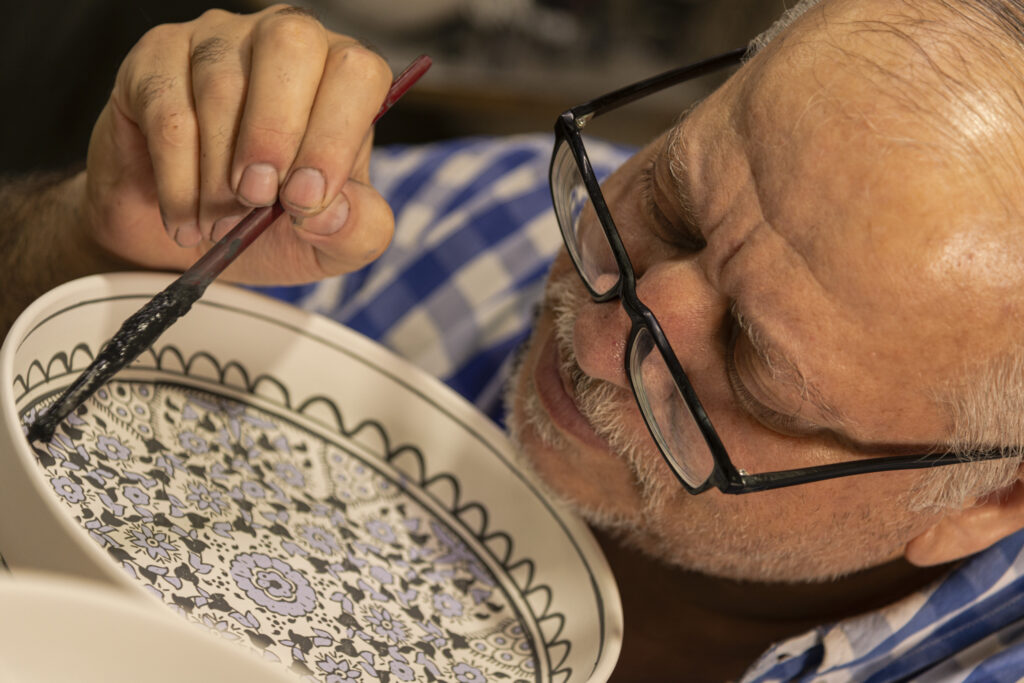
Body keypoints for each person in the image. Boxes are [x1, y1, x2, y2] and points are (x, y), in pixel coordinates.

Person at [4, 0, 1024, 679]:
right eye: (671, 200)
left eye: (753, 362)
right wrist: (86, 243)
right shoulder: (491, 228)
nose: (596, 332)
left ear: (985, 499)